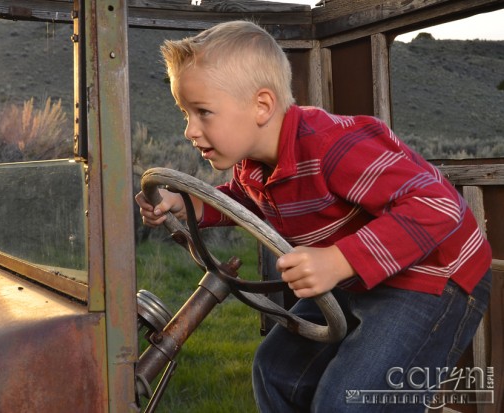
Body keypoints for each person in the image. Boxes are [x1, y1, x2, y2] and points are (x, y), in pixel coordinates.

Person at [135, 20, 492, 412]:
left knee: (348, 402)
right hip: (356, 275)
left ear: (262, 106)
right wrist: (188, 206)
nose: (189, 131)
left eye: (203, 113)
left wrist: (338, 260)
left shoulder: (332, 148)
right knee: (273, 371)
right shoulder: (252, 164)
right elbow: (245, 203)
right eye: (186, 114)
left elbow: (437, 205)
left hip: (432, 274)